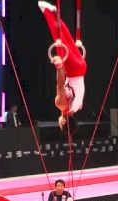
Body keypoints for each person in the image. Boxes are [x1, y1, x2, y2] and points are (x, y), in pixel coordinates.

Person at [39, 1, 87, 133]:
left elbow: (76, 91)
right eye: (60, 125)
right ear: (64, 121)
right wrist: (59, 65)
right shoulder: (61, 105)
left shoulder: (77, 107)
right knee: (58, 39)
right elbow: (59, 85)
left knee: (66, 38)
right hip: (72, 70)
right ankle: (46, 11)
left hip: (81, 68)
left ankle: (55, 13)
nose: (58, 123)